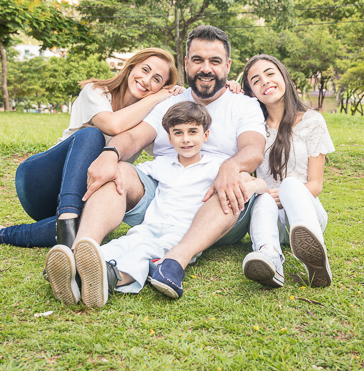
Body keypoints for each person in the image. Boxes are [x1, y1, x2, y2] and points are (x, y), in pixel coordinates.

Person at [71, 25, 266, 299]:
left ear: (228, 65)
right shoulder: (169, 100)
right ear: (186, 62)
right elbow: (134, 138)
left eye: (214, 61)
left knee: (236, 184)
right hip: (163, 199)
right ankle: (79, 253)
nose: (205, 68)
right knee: (118, 172)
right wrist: (109, 155)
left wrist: (230, 167)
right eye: (197, 60)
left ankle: (175, 261)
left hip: (217, 208)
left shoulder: (243, 104)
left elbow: (254, 150)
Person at [0, 48, 180, 248]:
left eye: (158, 79)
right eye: (145, 70)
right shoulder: (96, 91)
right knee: (92, 135)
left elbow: (168, 148)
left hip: (81, 197)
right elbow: (113, 125)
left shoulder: (146, 120)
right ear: (131, 67)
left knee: (94, 223)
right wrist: (156, 98)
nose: (147, 80)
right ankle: (68, 221)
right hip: (42, 182)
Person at [45, 101, 267, 306]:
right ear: (169, 139)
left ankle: (110, 280)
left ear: (205, 135)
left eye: (192, 132)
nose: (186, 139)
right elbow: (130, 175)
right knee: (122, 245)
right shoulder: (161, 164)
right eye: (178, 133)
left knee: (142, 256)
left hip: (183, 232)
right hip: (150, 225)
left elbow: (255, 183)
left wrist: (254, 187)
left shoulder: (217, 165)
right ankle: (72, 271)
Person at [240, 55, 335, 288]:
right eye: (255, 80)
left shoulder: (313, 121)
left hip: (305, 214)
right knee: (262, 198)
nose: (265, 81)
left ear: (283, 76)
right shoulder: (254, 130)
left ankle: (315, 259)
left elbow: (315, 185)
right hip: (269, 217)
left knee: (290, 185)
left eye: (270, 74)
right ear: (251, 92)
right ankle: (270, 258)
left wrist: (283, 193)